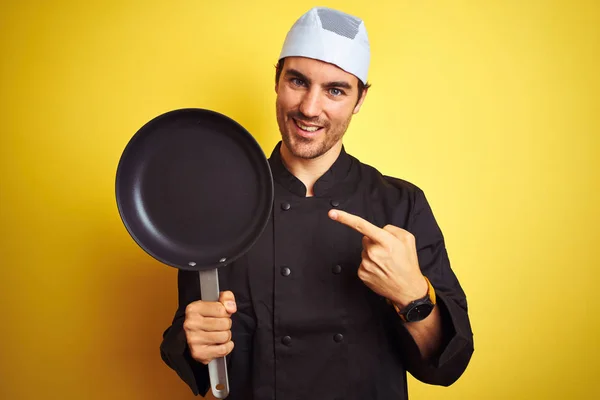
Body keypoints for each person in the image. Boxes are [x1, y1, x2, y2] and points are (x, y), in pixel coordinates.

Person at [160, 6, 474, 399]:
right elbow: (192, 338)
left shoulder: (401, 204)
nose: (310, 108)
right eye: (298, 81)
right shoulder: (221, 204)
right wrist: (194, 341)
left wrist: (414, 297)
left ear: (360, 99)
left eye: (336, 90)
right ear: (277, 80)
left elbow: (448, 364)